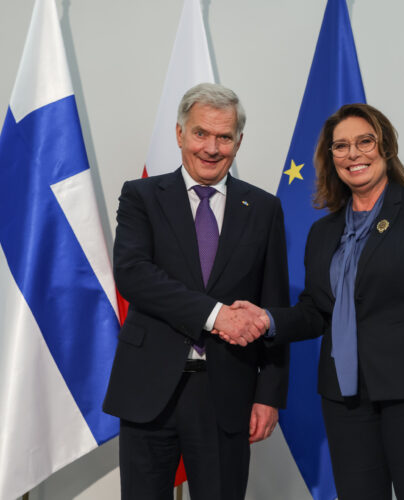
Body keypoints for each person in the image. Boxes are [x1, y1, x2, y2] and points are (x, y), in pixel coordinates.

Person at [231, 103, 404, 499]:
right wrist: (268, 320)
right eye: (340, 146)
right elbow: (315, 312)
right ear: (331, 159)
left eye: (364, 142)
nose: (353, 154)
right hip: (346, 401)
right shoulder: (323, 231)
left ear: (386, 147)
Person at [102, 83, 290, 500]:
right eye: (201, 133)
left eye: (224, 137)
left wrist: (269, 395)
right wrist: (216, 315)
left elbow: (274, 306)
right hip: (149, 388)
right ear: (179, 134)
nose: (212, 147)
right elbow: (133, 274)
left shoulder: (263, 209)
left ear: (238, 142)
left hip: (227, 391)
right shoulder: (143, 196)